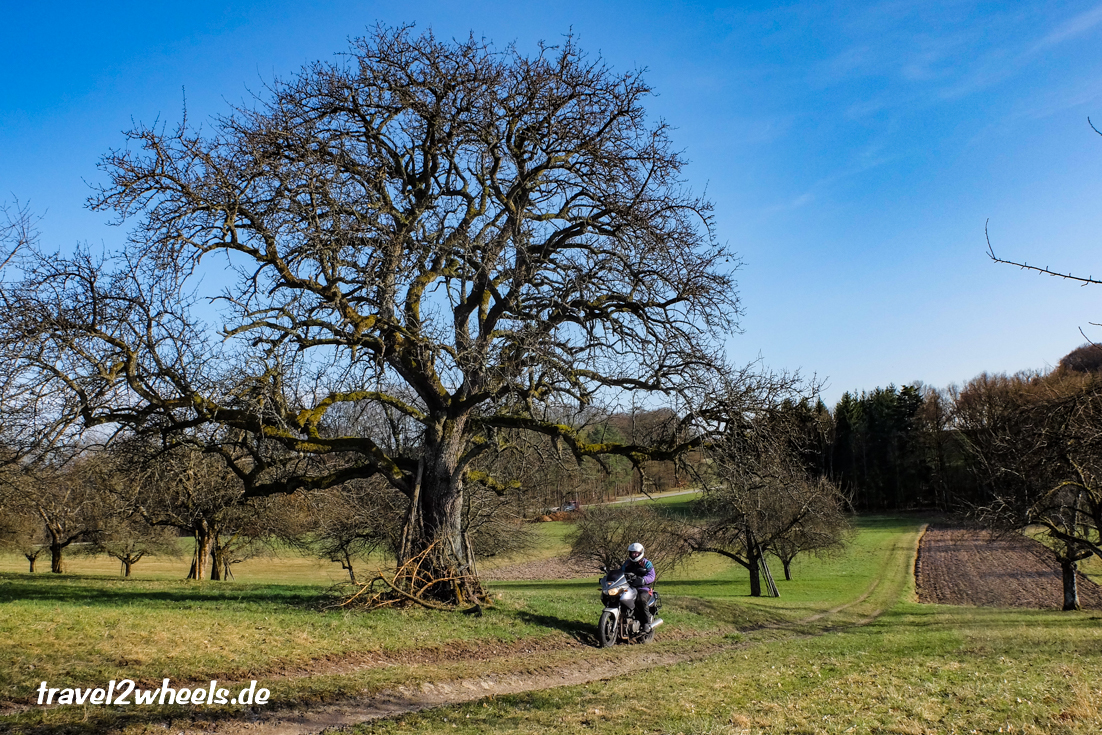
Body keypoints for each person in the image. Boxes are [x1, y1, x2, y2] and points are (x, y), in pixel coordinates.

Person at [621, 542, 656, 633]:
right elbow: (620, 572)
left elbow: (652, 576)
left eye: (636, 553)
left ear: (641, 553)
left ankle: (646, 622)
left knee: (640, 599)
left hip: (643, 588)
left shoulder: (647, 563)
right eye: (633, 553)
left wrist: (643, 580)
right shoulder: (627, 563)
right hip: (629, 587)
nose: (634, 555)